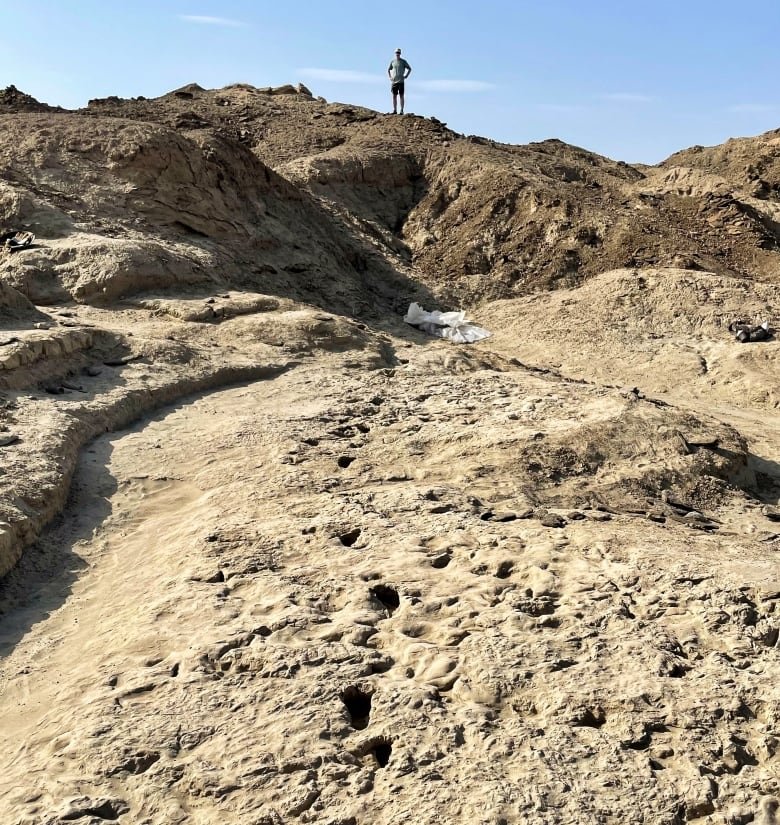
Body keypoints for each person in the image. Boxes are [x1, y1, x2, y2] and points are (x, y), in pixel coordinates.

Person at [388, 48, 412, 114]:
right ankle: (395, 110)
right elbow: (388, 70)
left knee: (401, 96)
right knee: (394, 96)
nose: (397, 54)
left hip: (401, 81)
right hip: (394, 82)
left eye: (398, 53)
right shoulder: (392, 61)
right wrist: (390, 77)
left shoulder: (403, 61)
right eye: (396, 53)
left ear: (400, 53)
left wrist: (406, 76)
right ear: (395, 53)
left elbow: (409, 69)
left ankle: (401, 110)